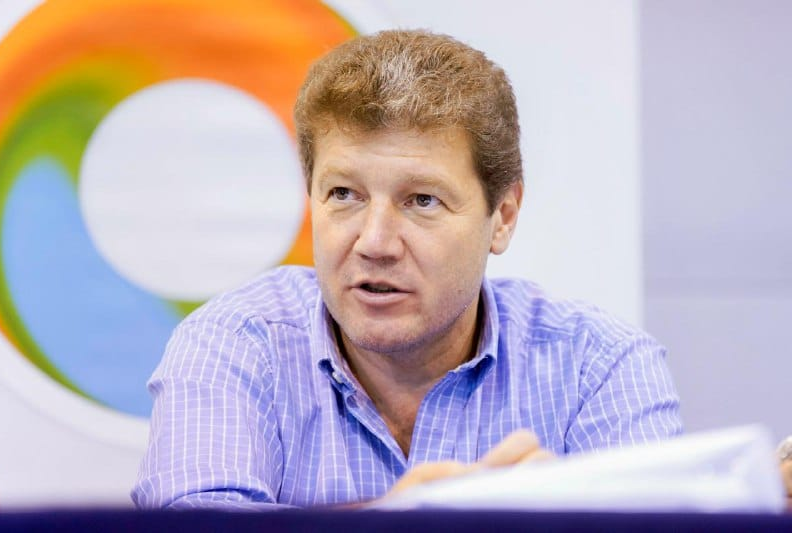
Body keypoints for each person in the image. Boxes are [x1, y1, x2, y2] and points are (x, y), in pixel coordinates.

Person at [132, 29, 683, 509]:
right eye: (343, 194)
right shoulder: (234, 346)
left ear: (503, 217)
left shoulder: (597, 366)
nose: (374, 243)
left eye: (422, 200)